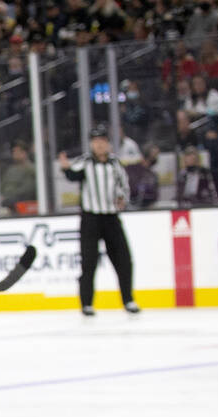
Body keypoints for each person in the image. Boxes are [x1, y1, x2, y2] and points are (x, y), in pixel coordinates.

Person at [59, 125, 139, 316]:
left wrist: (122, 199)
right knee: (89, 262)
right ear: (91, 144)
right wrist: (65, 168)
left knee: (124, 261)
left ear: (108, 143)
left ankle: (128, 299)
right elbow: (73, 174)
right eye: (96, 142)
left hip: (111, 218)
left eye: (103, 141)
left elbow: (124, 186)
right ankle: (87, 303)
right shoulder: (86, 162)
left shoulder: (115, 163)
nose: (100, 145)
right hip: (91, 219)